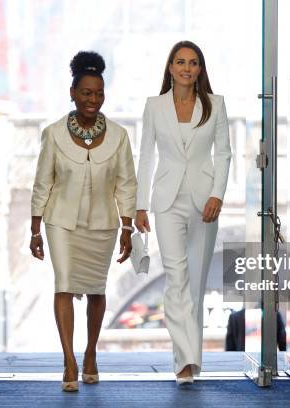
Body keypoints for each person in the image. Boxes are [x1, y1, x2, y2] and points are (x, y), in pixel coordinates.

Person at [29, 51, 137, 392]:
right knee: (63, 283)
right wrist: (35, 230)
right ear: (73, 93)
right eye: (87, 93)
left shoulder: (119, 136)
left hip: (103, 224)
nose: (93, 99)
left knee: (97, 289)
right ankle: (69, 360)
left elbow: (126, 183)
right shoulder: (53, 134)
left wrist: (127, 227)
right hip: (60, 222)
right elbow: (42, 182)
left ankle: (90, 352)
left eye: (99, 94)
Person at [135, 40, 231, 384]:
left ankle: (191, 359)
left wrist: (218, 195)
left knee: (195, 285)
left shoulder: (215, 105)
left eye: (193, 63)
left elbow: (224, 154)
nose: (187, 68)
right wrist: (139, 204)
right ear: (171, 67)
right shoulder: (154, 106)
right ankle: (185, 362)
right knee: (175, 278)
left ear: (200, 69)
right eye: (180, 62)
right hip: (166, 200)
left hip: (205, 201)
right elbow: (146, 155)